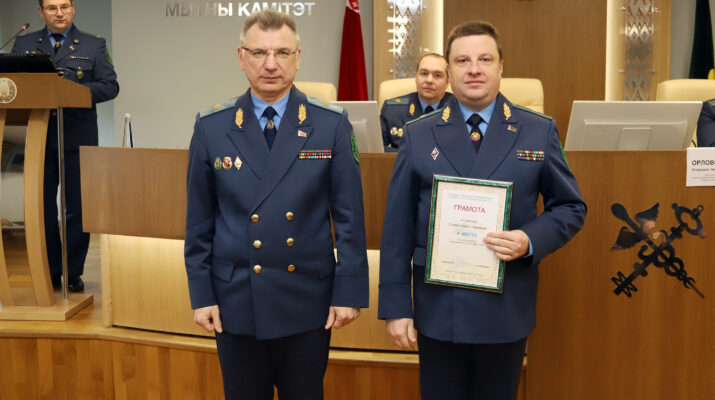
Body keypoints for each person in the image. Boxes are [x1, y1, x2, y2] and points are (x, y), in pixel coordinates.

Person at [378, 20, 587, 400]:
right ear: (449, 71)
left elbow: (571, 207)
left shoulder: (537, 130)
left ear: (501, 67)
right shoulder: (418, 133)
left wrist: (529, 239)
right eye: (463, 61)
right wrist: (396, 308)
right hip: (438, 308)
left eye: (485, 59)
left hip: (505, 308)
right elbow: (397, 227)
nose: (474, 69)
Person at [184, 10, 369, 400]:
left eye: (282, 52)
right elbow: (200, 221)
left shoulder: (330, 124)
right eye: (259, 52)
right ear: (241, 57)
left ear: (298, 58)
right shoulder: (212, 127)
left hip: (306, 299)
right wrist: (202, 295)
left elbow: (349, 217)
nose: (271, 64)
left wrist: (349, 292)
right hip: (235, 301)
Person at [12, 0, 119, 292]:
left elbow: (110, 86)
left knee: (78, 209)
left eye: (64, 6)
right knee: (42, 209)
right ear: (40, 11)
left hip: (77, 138)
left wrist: (71, 90)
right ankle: (50, 270)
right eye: (51, 8)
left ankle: (72, 271)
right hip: (38, 138)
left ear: (73, 8)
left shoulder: (93, 44)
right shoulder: (23, 44)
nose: (59, 13)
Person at [380, 53, 453, 151]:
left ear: (447, 82)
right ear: (416, 77)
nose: (429, 80)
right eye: (424, 74)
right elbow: (377, 149)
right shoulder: (392, 110)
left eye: (437, 75)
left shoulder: (461, 109)